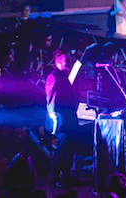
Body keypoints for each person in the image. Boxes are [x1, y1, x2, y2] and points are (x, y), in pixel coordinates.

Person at [45, 49, 80, 188]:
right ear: (58, 61)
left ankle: (65, 176)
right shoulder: (54, 77)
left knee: (70, 147)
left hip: (69, 117)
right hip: (63, 119)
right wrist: (56, 120)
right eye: (66, 59)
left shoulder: (62, 75)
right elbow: (51, 101)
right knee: (62, 149)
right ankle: (54, 178)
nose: (69, 62)